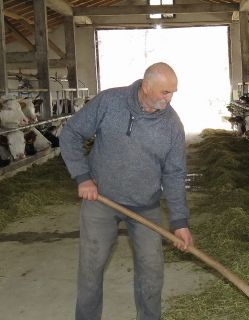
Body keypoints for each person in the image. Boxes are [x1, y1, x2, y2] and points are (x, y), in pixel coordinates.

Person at [60, 62, 193, 320]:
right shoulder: (109, 102)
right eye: (165, 92)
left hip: (146, 205)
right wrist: (83, 177)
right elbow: (71, 133)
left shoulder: (172, 125)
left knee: (152, 271)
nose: (170, 98)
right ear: (146, 86)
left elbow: (175, 174)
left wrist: (179, 221)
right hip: (101, 200)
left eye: (173, 92)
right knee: (91, 267)